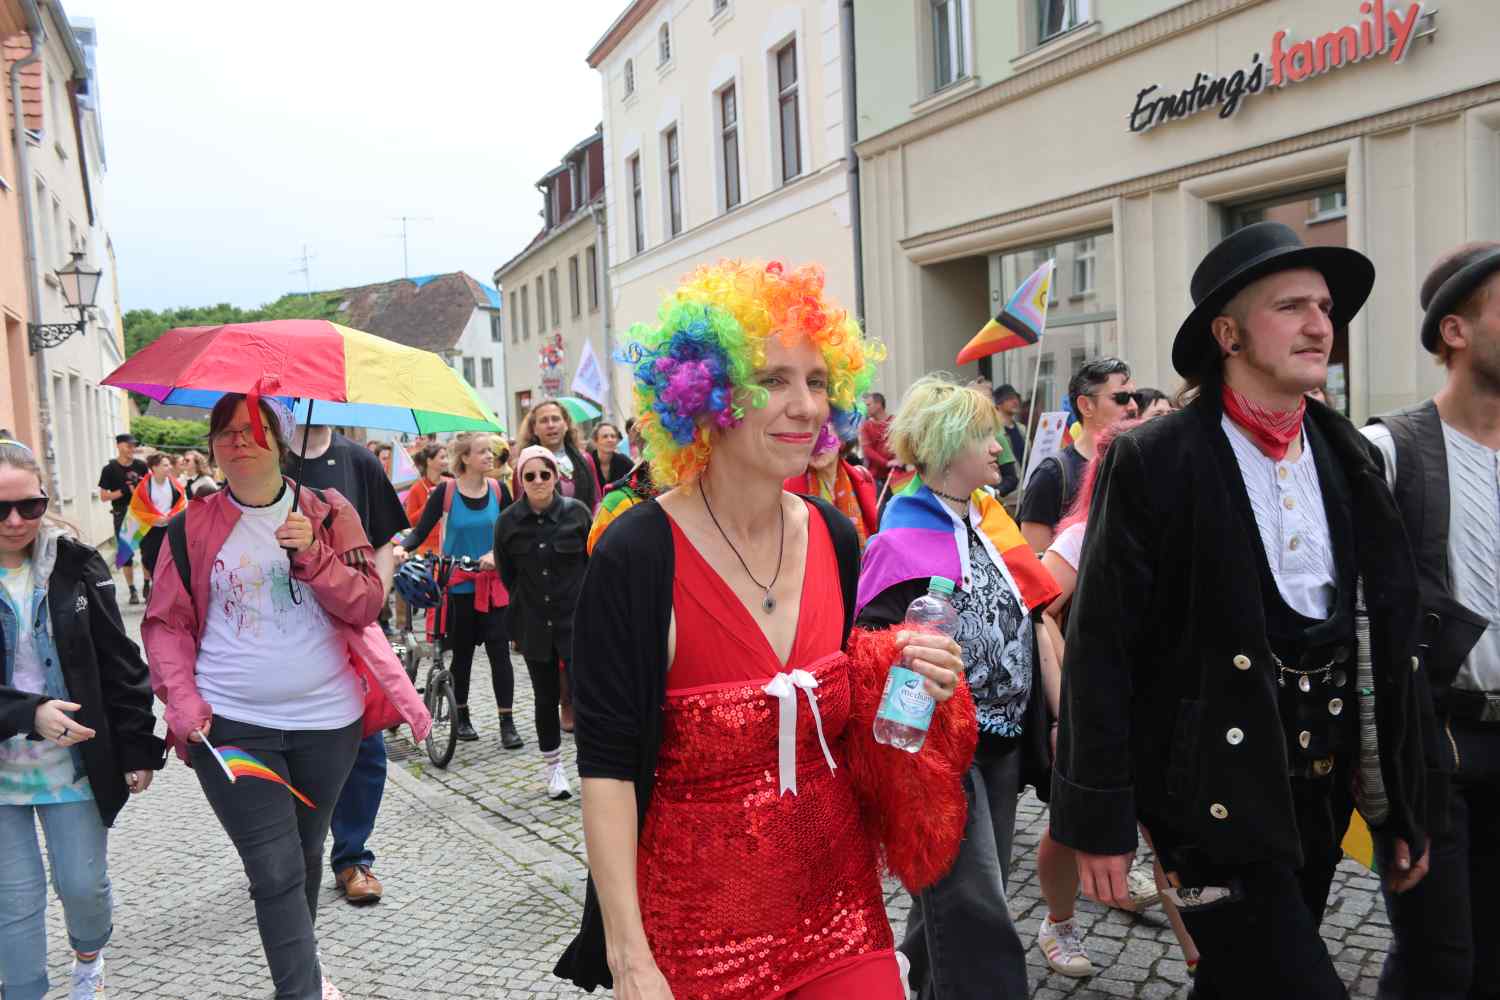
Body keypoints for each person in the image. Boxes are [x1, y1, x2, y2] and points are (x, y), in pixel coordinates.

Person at [554, 259, 971, 999]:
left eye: (817, 381)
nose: (804, 406)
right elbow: (608, 767)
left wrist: (904, 674)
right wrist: (629, 956)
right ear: (707, 394)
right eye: (773, 379)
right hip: (698, 928)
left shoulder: (836, 537)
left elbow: (845, 718)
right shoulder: (637, 555)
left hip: (838, 905)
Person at [1051, 221, 1438, 999]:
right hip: (1207, 797)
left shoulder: (1351, 455)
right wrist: (1097, 816)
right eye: (1291, 306)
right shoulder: (1155, 458)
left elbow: (1388, 641)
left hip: (1319, 791)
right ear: (1228, 335)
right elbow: (1102, 645)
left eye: (1325, 307)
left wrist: (1403, 802)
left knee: (1237, 985)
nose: (1319, 325)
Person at [142, 395, 428, 1000]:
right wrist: (182, 701)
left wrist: (315, 554)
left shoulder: (328, 511)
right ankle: (301, 991)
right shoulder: (189, 527)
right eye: (226, 432)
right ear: (213, 446)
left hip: (328, 724)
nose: (239, 441)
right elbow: (165, 624)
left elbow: (366, 604)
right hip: (231, 724)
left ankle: (303, 975)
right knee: (274, 869)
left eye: (254, 429)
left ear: (281, 440)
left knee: (303, 853)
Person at [855, 375, 1062, 1000]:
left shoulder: (987, 524)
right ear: (947, 449)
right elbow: (871, 652)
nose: (999, 447)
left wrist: (1058, 713)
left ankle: (913, 983)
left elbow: (1034, 617)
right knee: (976, 908)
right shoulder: (900, 537)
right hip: (940, 754)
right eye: (984, 437)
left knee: (954, 896)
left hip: (1001, 742)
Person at [1362, 241, 1500, 1000]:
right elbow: (1356, 627)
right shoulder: (1390, 451)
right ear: (1456, 331)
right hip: (1434, 745)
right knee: (1437, 964)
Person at [1034, 419, 1200, 979]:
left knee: (1167, 834)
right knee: (1070, 827)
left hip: (1157, 712)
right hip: (1094, 710)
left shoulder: (1175, 525)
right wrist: (1070, 685)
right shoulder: (1081, 535)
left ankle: (1199, 954)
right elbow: (1037, 608)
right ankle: (1059, 923)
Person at [0, 439, 165, 1000]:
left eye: (29, 505)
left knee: (82, 887)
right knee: (13, 899)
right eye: (0, 508)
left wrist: (138, 745)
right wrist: (29, 712)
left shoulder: (75, 564)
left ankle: (89, 957)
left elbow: (118, 659)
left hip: (74, 763)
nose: (16, 521)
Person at [284, 424, 408, 909]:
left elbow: (383, 540)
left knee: (365, 748)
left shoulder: (359, 462)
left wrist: (374, 595)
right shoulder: (270, 459)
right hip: (285, 629)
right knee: (291, 747)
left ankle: (353, 857)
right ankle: (290, 854)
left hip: (350, 625)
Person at [395, 433, 519, 748]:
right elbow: (421, 531)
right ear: (465, 458)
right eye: (482, 452)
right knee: (462, 655)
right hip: (458, 586)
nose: (490, 456)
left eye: (490, 451)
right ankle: (461, 716)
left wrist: (496, 554)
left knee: (500, 654)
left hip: (493, 587)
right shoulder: (446, 492)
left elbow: (512, 532)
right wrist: (402, 548)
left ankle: (507, 723)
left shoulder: (498, 490)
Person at [494, 446, 591, 797]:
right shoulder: (507, 522)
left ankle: (591, 767)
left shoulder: (577, 513)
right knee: (545, 697)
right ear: (520, 479)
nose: (538, 481)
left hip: (576, 622)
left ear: (555, 476)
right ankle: (554, 770)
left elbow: (592, 563)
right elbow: (508, 575)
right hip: (534, 622)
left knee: (586, 696)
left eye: (544, 474)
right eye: (530, 475)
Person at [1018, 358, 1138, 553]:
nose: (1133, 406)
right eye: (1121, 398)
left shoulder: (1136, 464)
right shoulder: (1050, 475)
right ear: (1086, 406)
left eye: (1135, 397)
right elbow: (1035, 562)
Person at [783, 420, 879, 548]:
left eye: (825, 435)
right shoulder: (786, 489)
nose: (817, 446)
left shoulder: (862, 478)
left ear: (842, 438)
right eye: (809, 436)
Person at [515, 400, 598, 513]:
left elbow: (596, 501)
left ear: (566, 424)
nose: (551, 425)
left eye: (555, 419)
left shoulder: (585, 459)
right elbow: (520, 509)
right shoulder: (525, 466)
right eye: (544, 420)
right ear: (534, 429)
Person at [97, 434, 148, 605]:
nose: (132, 449)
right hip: (121, 513)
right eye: (128, 446)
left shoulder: (141, 466)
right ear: (119, 446)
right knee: (126, 554)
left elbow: (149, 488)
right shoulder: (109, 469)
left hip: (141, 513)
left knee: (147, 552)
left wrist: (139, 491)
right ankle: (132, 590)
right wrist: (123, 491)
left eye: (134, 446)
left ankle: (147, 585)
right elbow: (104, 496)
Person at [133, 452, 187, 595]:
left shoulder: (175, 484)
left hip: (170, 528)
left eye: (169, 465)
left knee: (171, 559)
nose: (169, 467)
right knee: (150, 559)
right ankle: (155, 585)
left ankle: (165, 591)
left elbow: (183, 503)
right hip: (150, 529)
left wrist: (171, 517)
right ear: (154, 467)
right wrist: (154, 519)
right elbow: (136, 508)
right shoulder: (144, 486)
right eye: (165, 465)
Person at [402, 444, 449, 559]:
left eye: (447, 457)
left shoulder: (450, 484)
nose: (446, 461)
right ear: (429, 461)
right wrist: (429, 504)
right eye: (442, 457)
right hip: (427, 548)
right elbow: (410, 522)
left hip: (449, 545)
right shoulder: (417, 488)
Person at [859, 391, 894, 491]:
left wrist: (900, 460)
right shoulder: (866, 426)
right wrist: (887, 463)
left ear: (878, 404)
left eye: (868, 405)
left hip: (896, 474)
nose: (866, 408)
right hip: (876, 477)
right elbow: (867, 450)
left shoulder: (895, 421)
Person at [588, 422, 632, 495]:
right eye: (605, 436)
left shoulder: (624, 461)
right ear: (595, 441)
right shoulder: (587, 463)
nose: (610, 440)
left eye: (613, 436)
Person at [994, 384, 1028, 473]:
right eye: (1009, 398)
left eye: (1016, 398)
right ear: (999, 404)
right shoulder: (994, 431)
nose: (1015, 401)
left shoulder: (1022, 429)